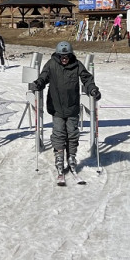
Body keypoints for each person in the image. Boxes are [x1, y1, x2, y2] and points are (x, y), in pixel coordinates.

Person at [29, 41, 101, 177]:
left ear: (70, 55)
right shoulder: (51, 64)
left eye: (66, 56)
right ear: (57, 55)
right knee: (59, 133)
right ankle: (59, 157)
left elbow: (87, 79)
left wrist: (93, 89)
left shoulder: (77, 65)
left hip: (72, 106)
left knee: (72, 133)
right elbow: (43, 77)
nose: (64, 59)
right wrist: (38, 84)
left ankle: (71, 157)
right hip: (56, 106)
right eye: (62, 56)